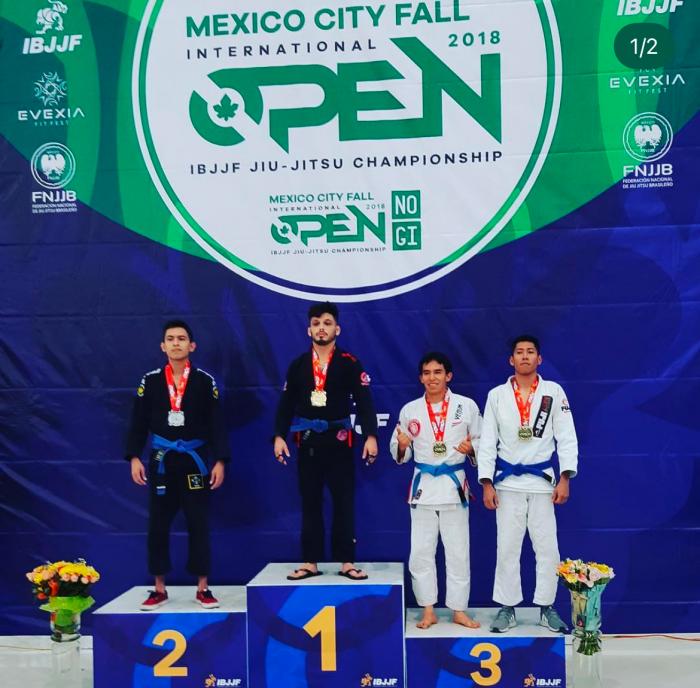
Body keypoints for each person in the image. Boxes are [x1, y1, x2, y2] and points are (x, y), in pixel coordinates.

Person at [126, 320, 229, 610]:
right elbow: (138, 422)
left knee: (198, 522)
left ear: (191, 345)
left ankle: (203, 587)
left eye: (181, 338)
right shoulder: (150, 381)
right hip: (162, 461)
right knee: (158, 524)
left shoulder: (204, 381)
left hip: (194, 461)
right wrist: (134, 456)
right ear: (163, 346)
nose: (176, 343)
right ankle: (159, 588)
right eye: (170, 339)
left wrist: (220, 460)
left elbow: (216, 424)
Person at [478, 335, 577, 633]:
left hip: (542, 483)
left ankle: (547, 607)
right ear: (511, 360)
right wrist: (486, 482)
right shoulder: (497, 395)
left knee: (548, 548)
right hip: (507, 484)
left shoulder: (553, 392)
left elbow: (567, 436)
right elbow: (487, 441)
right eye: (519, 352)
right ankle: (507, 607)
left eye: (530, 352)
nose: (524, 356)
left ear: (539, 359)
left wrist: (565, 476)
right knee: (507, 547)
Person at [273, 302, 378, 581]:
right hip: (308, 442)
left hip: (340, 442)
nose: (322, 328)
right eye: (316, 323)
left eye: (327, 323)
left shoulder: (349, 363)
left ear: (337, 329)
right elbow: (285, 405)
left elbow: (364, 402)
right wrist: (279, 436)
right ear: (309, 329)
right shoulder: (298, 365)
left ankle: (347, 561)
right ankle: (310, 561)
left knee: (344, 502)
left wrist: (370, 436)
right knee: (310, 502)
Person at [390, 352, 482, 629]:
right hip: (424, 487)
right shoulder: (410, 410)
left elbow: (483, 441)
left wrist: (472, 449)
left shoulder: (466, 406)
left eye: (438, 372)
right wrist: (402, 445)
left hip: (454, 486)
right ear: (421, 378)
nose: (432, 378)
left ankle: (459, 610)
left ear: (448, 376)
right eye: (427, 373)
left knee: (458, 552)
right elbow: (399, 452)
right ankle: (428, 609)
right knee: (421, 551)